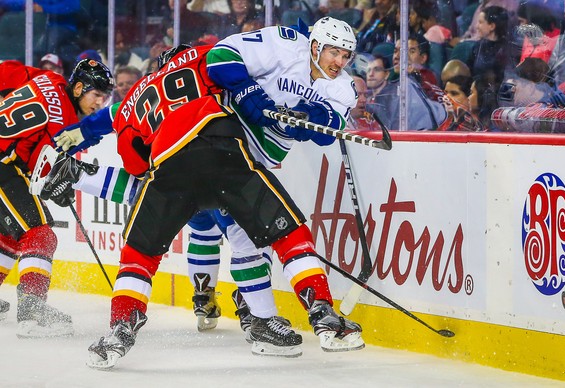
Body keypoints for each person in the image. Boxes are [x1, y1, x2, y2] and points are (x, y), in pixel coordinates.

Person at [40, 18, 365, 368]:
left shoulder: (137, 93)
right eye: (335, 52)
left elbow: (133, 160)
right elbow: (223, 63)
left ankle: (121, 328)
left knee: (139, 250)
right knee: (267, 237)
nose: (340, 61)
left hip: (170, 162)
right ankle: (279, 317)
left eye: (346, 55)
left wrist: (82, 133)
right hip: (226, 148)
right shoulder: (202, 63)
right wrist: (253, 96)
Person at [0, 58, 113, 337]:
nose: (100, 102)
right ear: (78, 88)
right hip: (4, 163)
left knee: (11, 235)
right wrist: (58, 187)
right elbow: (42, 172)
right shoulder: (63, 123)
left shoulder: (48, 78)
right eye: (96, 94)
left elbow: (7, 70)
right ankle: (32, 312)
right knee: (40, 235)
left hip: (6, 162)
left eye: (105, 96)